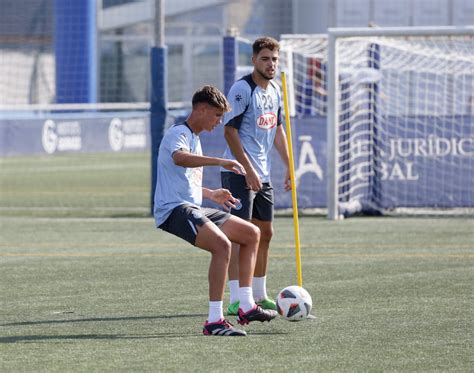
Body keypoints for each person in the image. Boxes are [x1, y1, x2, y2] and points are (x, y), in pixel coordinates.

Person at [154, 85, 277, 337]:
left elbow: (185, 182)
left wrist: (211, 194)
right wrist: (222, 161)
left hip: (192, 205)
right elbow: (180, 158)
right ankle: (214, 321)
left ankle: (246, 305)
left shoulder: (195, 139)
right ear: (201, 109)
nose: (219, 122)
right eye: (216, 115)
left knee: (251, 233)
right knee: (222, 245)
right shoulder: (178, 132)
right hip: (173, 211)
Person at [221, 37, 291, 316]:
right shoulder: (242, 89)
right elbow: (229, 131)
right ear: (254, 60)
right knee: (242, 236)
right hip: (240, 173)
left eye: (274, 59)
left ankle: (260, 295)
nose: (271, 64)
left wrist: (289, 166)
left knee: (266, 233)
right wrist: (248, 170)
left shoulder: (275, 90)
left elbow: (278, 130)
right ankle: (237, 298)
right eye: (265, 58)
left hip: (263, 175)